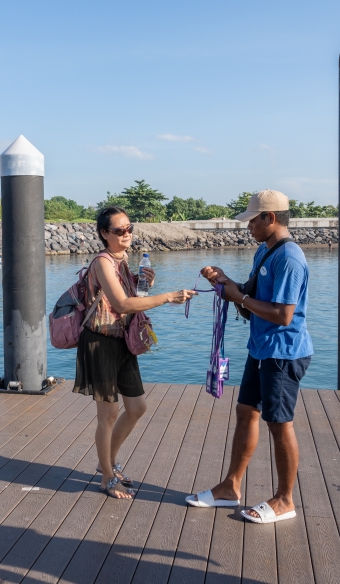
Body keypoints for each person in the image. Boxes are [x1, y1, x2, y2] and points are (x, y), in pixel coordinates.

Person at [189, 190, 313, 524]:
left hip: (283, 354)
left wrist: (239, 297)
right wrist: (226, 283)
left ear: (270, 218)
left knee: (279, 423)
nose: (249, 228)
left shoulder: (289, 258)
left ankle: (285, 500)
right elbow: (249, 296)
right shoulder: (265, 251)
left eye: (253, 221)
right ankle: (230, 486)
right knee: (246, 411)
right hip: (260, 349)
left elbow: (283, 315)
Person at [74, 206, 196, 499]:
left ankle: (109, 463)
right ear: (105, 234)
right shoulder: (103, 262)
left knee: (137, 408)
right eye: (119, 230)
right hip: (99, 341)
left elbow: (133, 297)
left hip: (122, 341)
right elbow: (122, 304)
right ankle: (106, 477)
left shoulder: (124, 259)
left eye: (129, 228)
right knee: (108, 413)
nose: (127, 234)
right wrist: (166, 297)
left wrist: (146, 284)